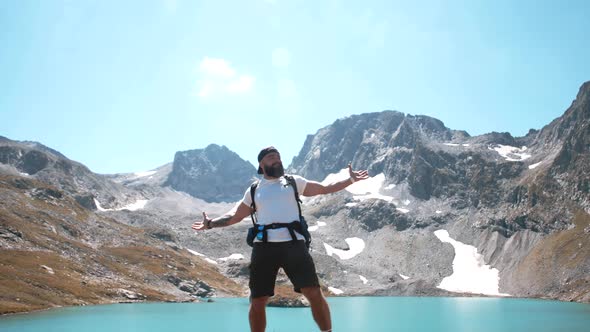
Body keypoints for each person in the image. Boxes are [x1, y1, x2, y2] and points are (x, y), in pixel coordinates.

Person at [192, 146, 369, 332]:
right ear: (261, 164)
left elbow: (324, 189)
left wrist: (350, 180)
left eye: (278, 157)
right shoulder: (253, 191)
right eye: (271, 157)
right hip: (264, 248)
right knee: (258, 299)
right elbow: (235, 217)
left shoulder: (294, 182)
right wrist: (210, 224)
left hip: (294, 245)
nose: (277, 159)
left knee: (313, 292)